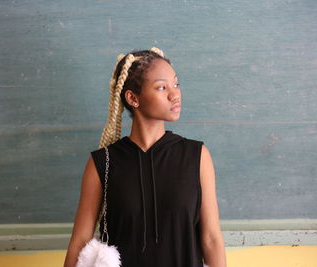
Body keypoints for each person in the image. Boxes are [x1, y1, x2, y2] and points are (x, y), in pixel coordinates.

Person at [64, 47, 226, 267]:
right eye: (161, 87)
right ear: (133, 98)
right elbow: (80, 242)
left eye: (176, 84)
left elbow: (211, 239)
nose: (174, 94)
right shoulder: (103, 162)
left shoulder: (196, 156)